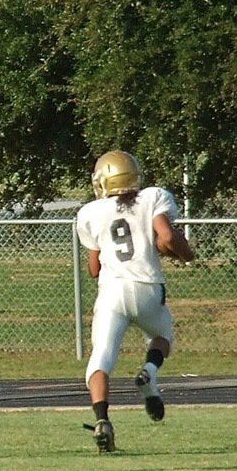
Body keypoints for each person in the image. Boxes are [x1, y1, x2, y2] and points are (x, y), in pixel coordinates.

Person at [75, 150, 195, 453]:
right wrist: (186, 254)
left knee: (101, 356)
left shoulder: (90, 213)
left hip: (112, 291)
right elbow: (166, 236)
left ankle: (102, 419)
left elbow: (93, 269)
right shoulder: (153, 197)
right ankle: (149, 374)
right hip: (147, 288)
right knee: (161, 335)